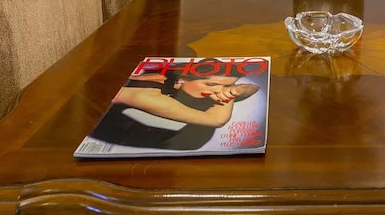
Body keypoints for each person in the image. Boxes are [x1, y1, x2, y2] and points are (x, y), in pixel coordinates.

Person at [90, 58, 260, 150]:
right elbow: (215, 120)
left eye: (227, 85)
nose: (217, 91)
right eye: (211, 84)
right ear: (184, 78)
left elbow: (252, 88)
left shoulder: (169, 77)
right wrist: (231, 93)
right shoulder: (147, 95)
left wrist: (233, 89)